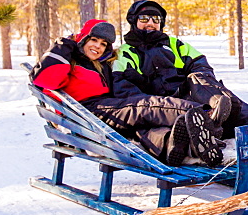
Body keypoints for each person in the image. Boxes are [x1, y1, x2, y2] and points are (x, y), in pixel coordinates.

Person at [113, 0, 248, 143]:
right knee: (208, 103)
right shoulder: (125, 52)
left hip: (194, 94)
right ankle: (213, 118)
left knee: (208, 85)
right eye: (145, 18)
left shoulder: (175, 44)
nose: (151, 23)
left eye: (156, 20)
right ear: (134, 22)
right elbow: (126, 91)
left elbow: (200, 64)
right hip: (164, 105)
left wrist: (205, 88)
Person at [30, 19, 226, 167]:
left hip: (107, 110)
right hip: (88, 113)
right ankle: (204, 115)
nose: (98, 46)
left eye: (103, 44)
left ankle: (180, 146)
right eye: (94, 40)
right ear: (82, 39)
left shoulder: (103, 65)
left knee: (144, 130)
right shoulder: (71, 62)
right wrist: (65, 44)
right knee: (145, 107)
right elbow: (43, 79)